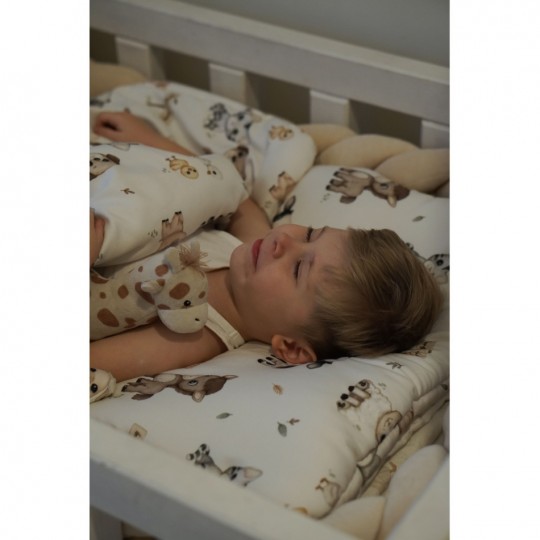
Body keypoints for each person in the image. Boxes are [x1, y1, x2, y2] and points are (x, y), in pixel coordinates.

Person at [91, 111, 443, 382]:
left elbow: (93, 364)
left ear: (291, 347)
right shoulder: (249, 242)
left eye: (298, 269)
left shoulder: (196, 334)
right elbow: (222, 186)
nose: (284, 241)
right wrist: (148, 139)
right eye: (311, 234)